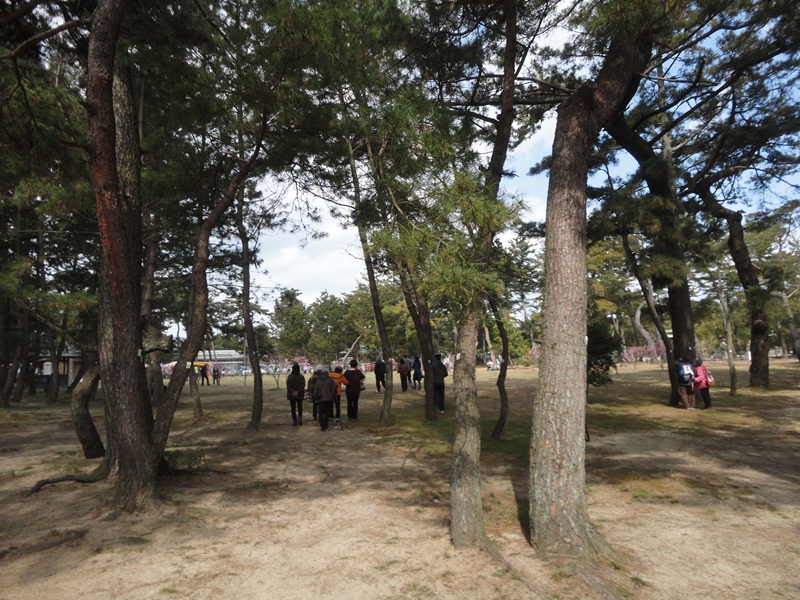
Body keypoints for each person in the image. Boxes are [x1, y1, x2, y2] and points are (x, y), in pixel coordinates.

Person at [312, 367, 338, 432]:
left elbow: (316, 389)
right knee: (327, 412)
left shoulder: (318, 380)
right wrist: (334, 392)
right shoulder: (330, 379)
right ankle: (326, 424)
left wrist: (315, 397)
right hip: (329, 398)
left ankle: (322, 426)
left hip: (321, 398)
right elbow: (336, 385)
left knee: (321, 413)